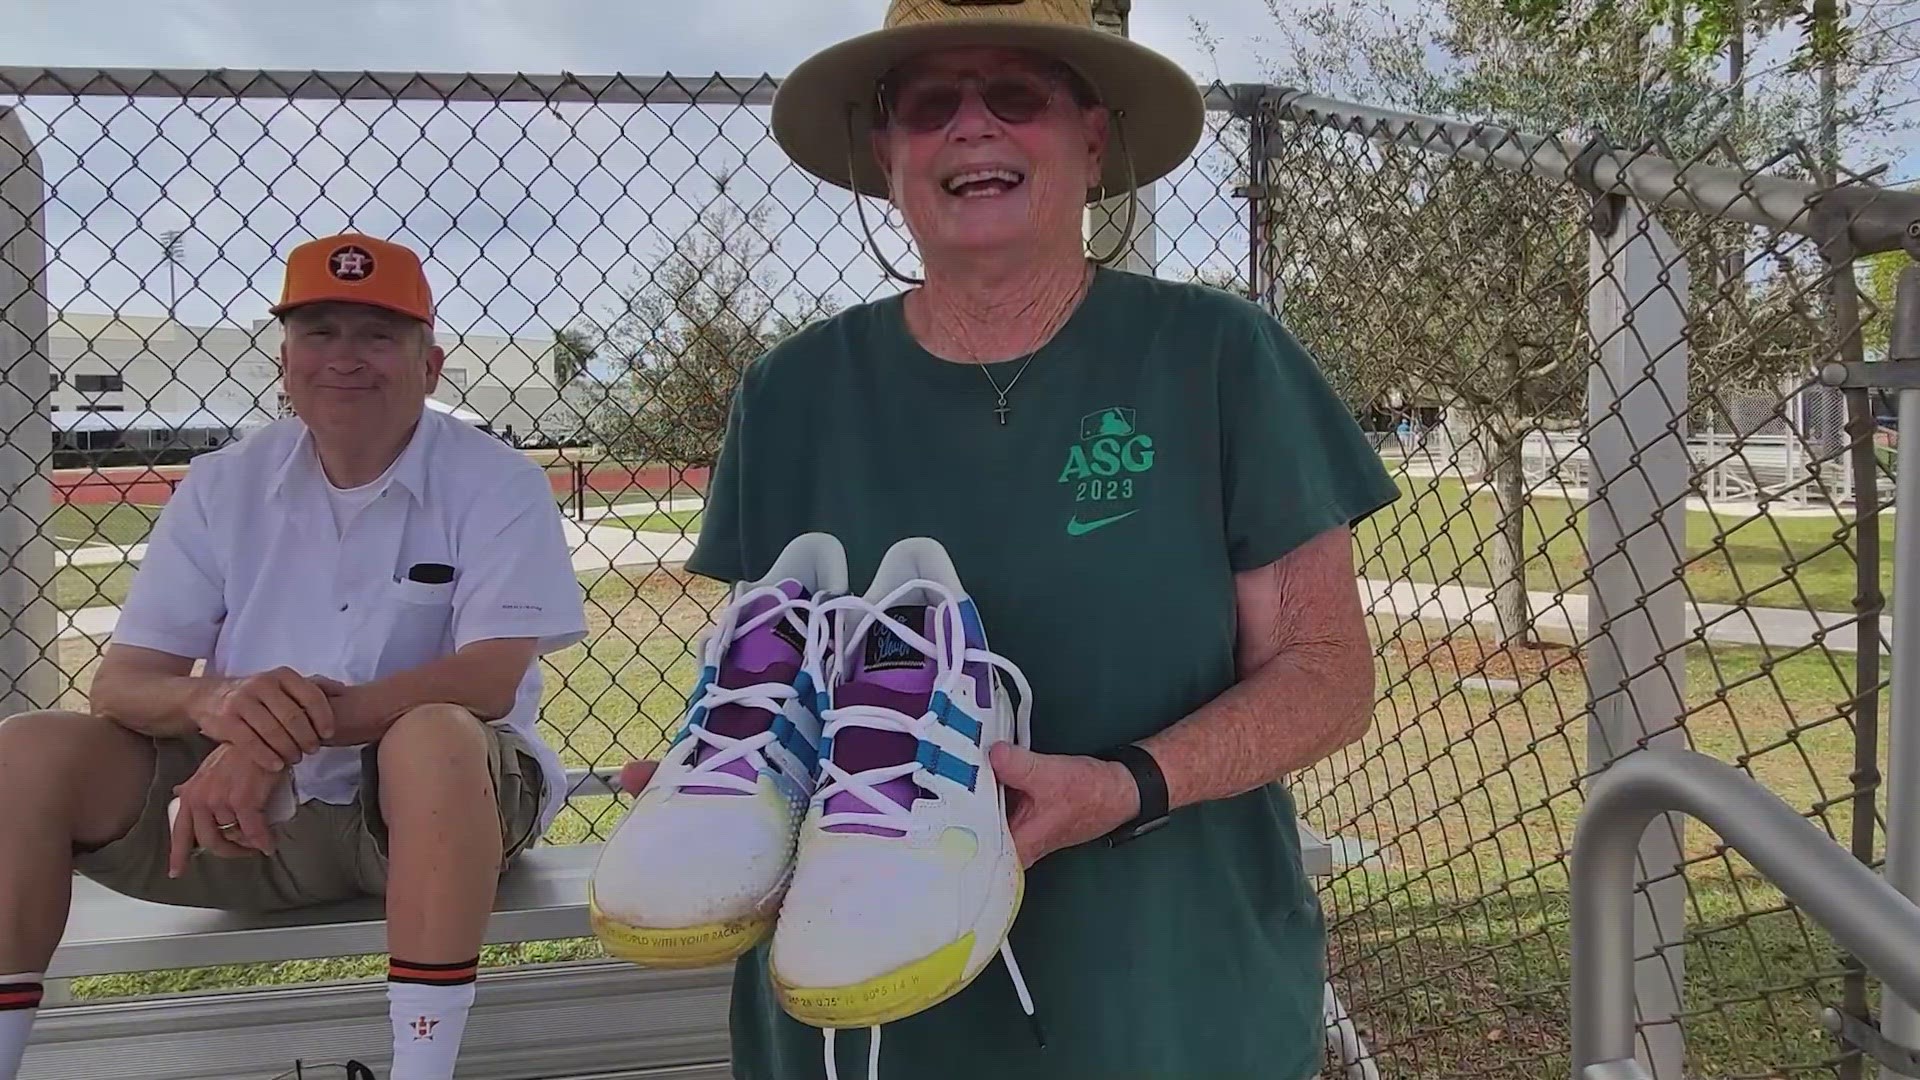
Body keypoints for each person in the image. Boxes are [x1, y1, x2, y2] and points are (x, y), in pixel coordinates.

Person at [611, 2, 1401, 1078]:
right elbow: (774, 655)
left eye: (1017, 94)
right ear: (886, 152)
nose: (972, 126)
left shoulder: (1217, 357)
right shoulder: (791, 393)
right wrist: (746, 779)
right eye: (931, 103)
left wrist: (1126, 783)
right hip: (861, 1008)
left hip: (1164, 1002)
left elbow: (1326, 673)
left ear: (1091, 134)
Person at [0, 232, 588, 1080]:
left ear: (430, 365)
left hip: (430, 816)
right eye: (319, 332)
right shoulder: (223, 483)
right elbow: (122, 684)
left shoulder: (495, 478)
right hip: (236, 819)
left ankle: (423, 1072)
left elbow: (488, 678)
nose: (344, 358)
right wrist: (217, 707)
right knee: (24, 750)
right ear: (285, 359)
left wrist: (263, 741)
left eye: (378, 335)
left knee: (432, 734)